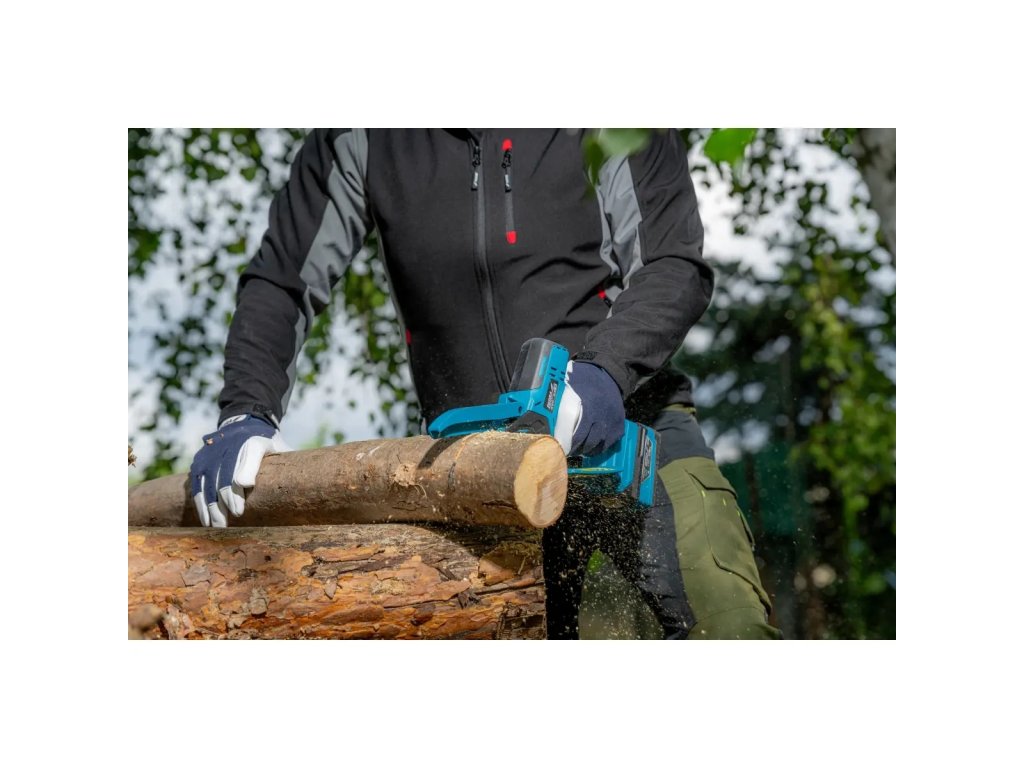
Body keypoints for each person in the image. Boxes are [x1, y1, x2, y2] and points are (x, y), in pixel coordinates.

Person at [190, 129, 781, 640]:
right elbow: (282, 280)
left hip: (633, 432)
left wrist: (603, 372)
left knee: (727, 622)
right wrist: (246, 410)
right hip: (469, 478)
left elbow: (671, 262)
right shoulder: (363, 133)